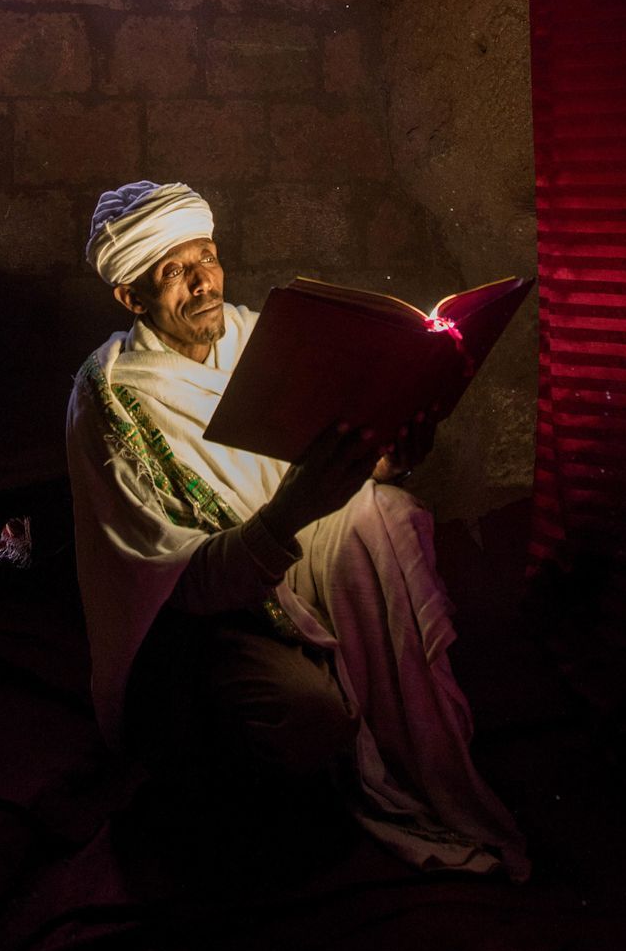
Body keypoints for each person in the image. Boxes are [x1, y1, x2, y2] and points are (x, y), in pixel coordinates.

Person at [65, 179, 527, 877]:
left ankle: (422, 768)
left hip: (293, 564)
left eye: (208, 258)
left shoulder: (265, 341)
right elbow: (185, 587)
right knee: (309, 718)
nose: (203, 283)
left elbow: (326, 482)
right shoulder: (112, 400)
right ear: (131, 297)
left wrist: (382, 461)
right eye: (173, 271)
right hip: (202, 630)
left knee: (387, 513)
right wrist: (295, 509)